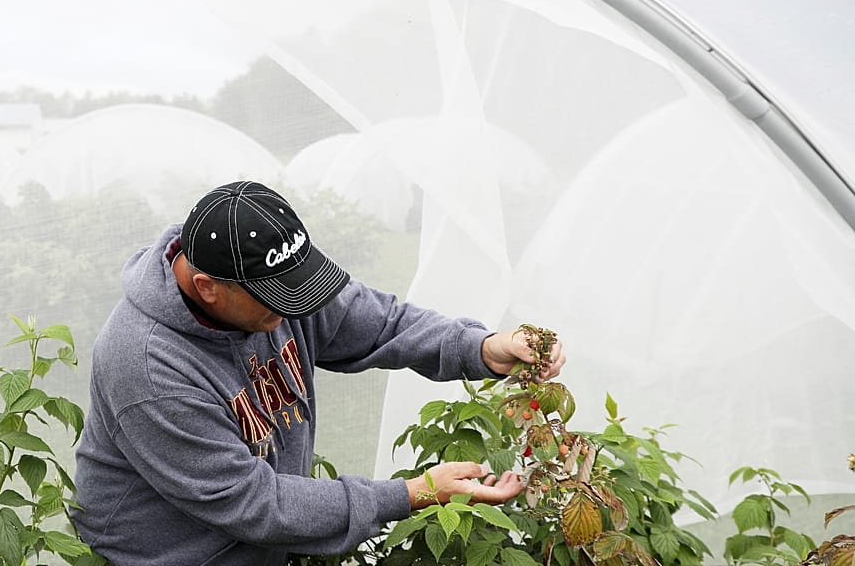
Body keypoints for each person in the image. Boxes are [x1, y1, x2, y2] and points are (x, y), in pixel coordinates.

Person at [70, 180, 566, 566]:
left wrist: (482, 347)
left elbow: (380, 323)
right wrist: (411, 493)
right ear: (207, 288)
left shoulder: (267, 288)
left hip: (260, 549)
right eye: (277, 300)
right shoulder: (148, 367)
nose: (292, 313)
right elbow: (254, 503)